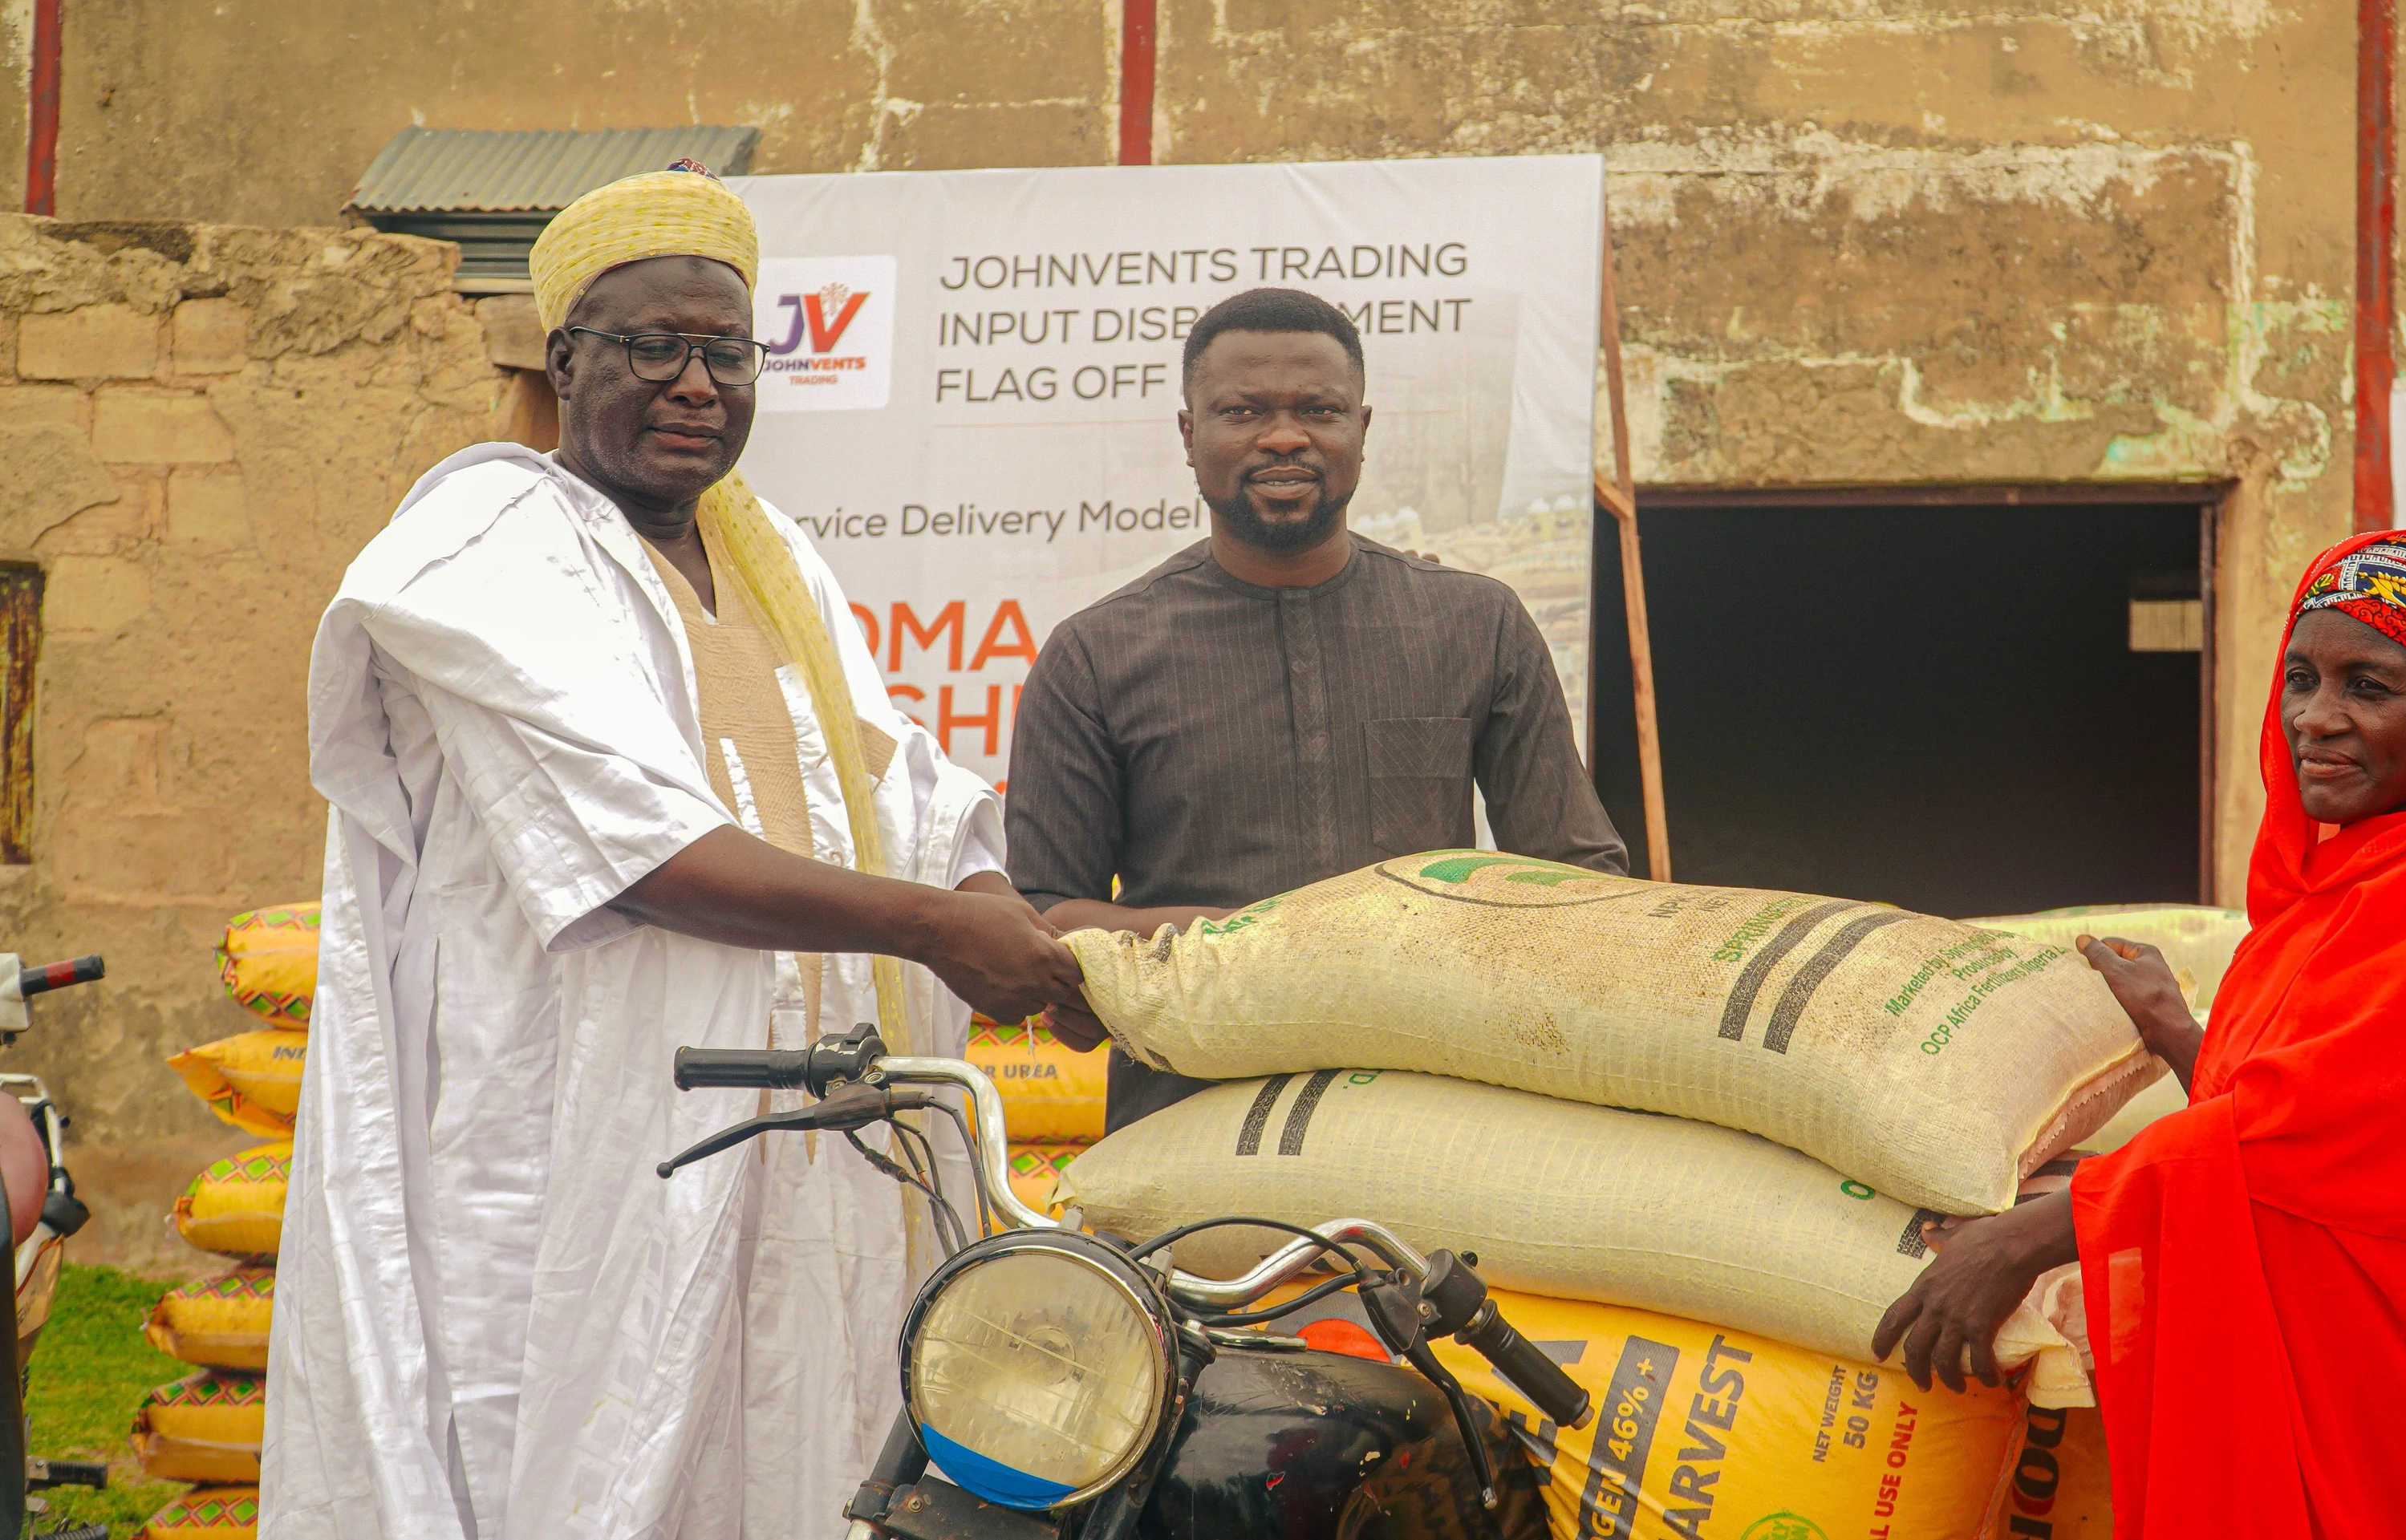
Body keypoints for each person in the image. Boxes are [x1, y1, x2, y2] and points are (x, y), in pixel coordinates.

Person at [265, 166, 1082, 1540]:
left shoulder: (775, 566)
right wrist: (935, 931)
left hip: (794, 1137)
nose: (696, 383)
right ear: (567, 359)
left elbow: (902, 781)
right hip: (574, 1133)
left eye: (727, 352)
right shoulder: (480, 555)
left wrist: (984, 891)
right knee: (566, 1458)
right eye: (654, 346)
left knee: (789, 1459)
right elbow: (642, 851)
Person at [1875, 529, 2406, 1537]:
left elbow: (2294, 1128)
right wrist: (2173, 1028)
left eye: (2370, 686)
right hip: (2362, 1397)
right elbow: (2331, 1141)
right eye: (2301, 677)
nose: (2316, 719)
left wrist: (2020, 1241)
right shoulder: (2355, 885)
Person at [1004, 286, 1626, 1129]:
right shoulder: (1094, 656)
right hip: (1191, 1121)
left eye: (1318, 410)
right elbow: (1047, 917)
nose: (1285, 436)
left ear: (1361, 430)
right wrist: (1289, 944)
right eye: (1244, 410)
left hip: (1438, 1110)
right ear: (1190, 436)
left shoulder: (1478, 625)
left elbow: (1579, 881)